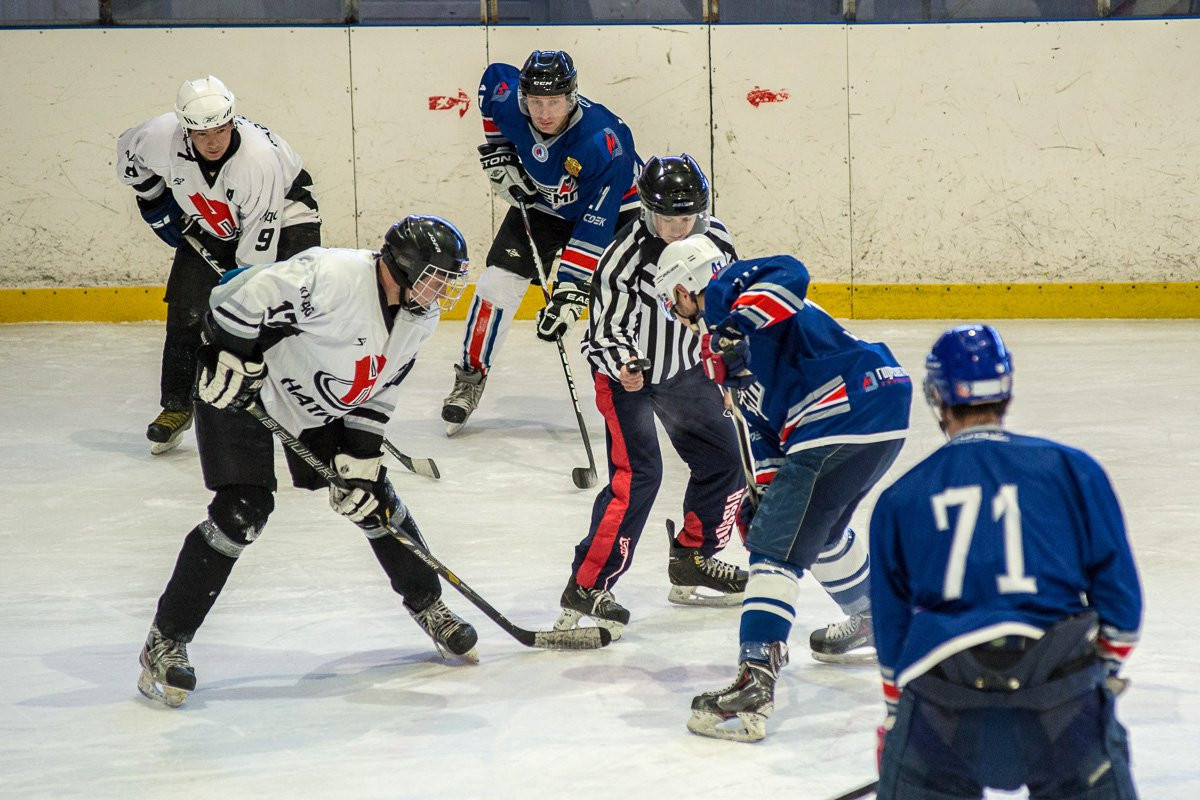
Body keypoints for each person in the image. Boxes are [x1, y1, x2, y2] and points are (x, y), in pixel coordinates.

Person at [136, 216, 478, 709]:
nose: (443, 291)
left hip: (317, 405)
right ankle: (164, 641)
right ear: (404, 266)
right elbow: (238, 293)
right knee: (241, 512)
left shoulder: (419, 316)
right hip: (244, 390)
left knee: (373, 498)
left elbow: (382, 390)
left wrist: (361, 456)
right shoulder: (333, 276)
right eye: (436, 277)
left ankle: (430, 605)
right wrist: (229, 354)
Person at [652, 235, 913, 742]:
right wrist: (767, 489)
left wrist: (736, 323)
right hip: (871, 409)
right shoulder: (722, 351)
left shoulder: (727, 291)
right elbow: (764, 429)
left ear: (684, 288)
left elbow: (792, 272)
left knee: (774, 546)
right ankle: (875, 617)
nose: (674, 311)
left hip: (843, 410)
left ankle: (755, 679)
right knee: (817, 531)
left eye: (671, 299)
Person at [870, 324, 1142, 799]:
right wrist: (1100, 673)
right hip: (1061, 697)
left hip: (942, 705)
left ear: (936, 396)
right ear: (1007, 390)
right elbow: (1122, 602)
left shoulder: (901, 497)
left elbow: (891, 629)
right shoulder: (1073, 469)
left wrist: (899, 720)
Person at [552, 155, 747, 640]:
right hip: (626, 378)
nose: (679, 229)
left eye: (688, 217)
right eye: (668, 218)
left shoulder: (717, 241)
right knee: (639, 476)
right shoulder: (623, 256)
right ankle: (587, 584)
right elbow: (605, 331)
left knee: (726, 460)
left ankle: (694, 557)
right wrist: (625, 363)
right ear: (646, 211)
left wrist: (726, 372)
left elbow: (727, 308)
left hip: (687, 370)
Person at [117, 75, 321, 454]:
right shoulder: (159, 136)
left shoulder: (257, 161)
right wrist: (155, 202)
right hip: (213, 217)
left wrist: (242, 302)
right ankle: (177, 406)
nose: (213, 142)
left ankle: (306, 404)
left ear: (232, 120)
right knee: (186, 310)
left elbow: (254, 262)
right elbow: (129, 157)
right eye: (201, 133)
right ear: (185, 129)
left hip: (285, 212)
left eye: (221, 130)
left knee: (286, 310)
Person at [442, 49, 642, 434]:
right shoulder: (508, 100)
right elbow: (492, 80)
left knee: (624, 293)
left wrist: (570, 291)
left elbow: (595, 224)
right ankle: (469, 379)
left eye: (554, 102)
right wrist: (501, 152)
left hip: (616, 208)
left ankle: (636, 380)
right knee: (496, 285)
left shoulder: (604, 141)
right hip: (545, 203)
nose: (544, 113)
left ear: (572, 97)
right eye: (535, 101)